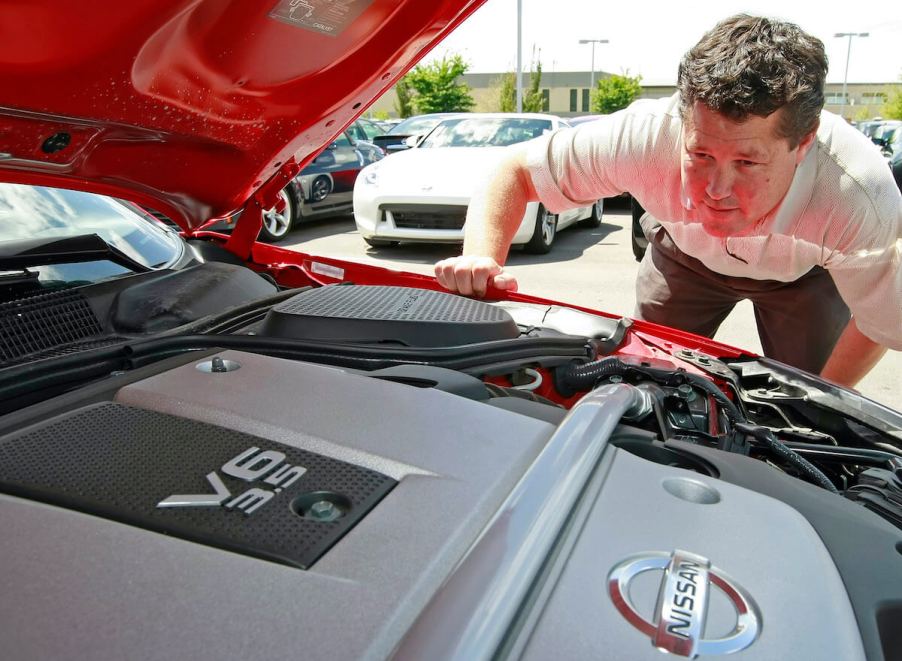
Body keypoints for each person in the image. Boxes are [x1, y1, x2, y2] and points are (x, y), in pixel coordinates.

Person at [434, 14, 901, 387]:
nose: (716, 190)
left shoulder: (858, 195)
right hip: (684, 259)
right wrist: (480, 257)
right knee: (649, 381)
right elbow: (514, 171)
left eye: (747, 163)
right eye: (699, 154)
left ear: (803, 144)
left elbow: (881, 322)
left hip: (805, 277)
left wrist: (820, 405)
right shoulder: (644, 137)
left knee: (805, 393)